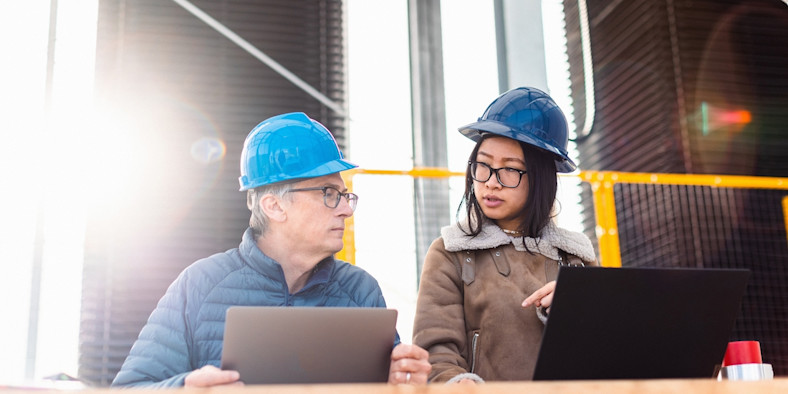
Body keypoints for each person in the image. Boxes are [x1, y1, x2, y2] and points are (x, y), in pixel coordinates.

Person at [112, 112, 430, 387]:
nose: (346, 210)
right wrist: (185, 390)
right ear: (274, 206)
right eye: (329, 193)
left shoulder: (360, 292)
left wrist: (404, 385)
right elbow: (129, 388)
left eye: (345, 196)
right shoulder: (199, 285)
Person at [412, 87, 598, 383]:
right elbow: (435, 353)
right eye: (483, 165)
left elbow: (607, 351)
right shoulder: (450, 253)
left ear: (542, 180)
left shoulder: (576, 259)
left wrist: (577, 308)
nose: (491, 182)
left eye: (510, 170)